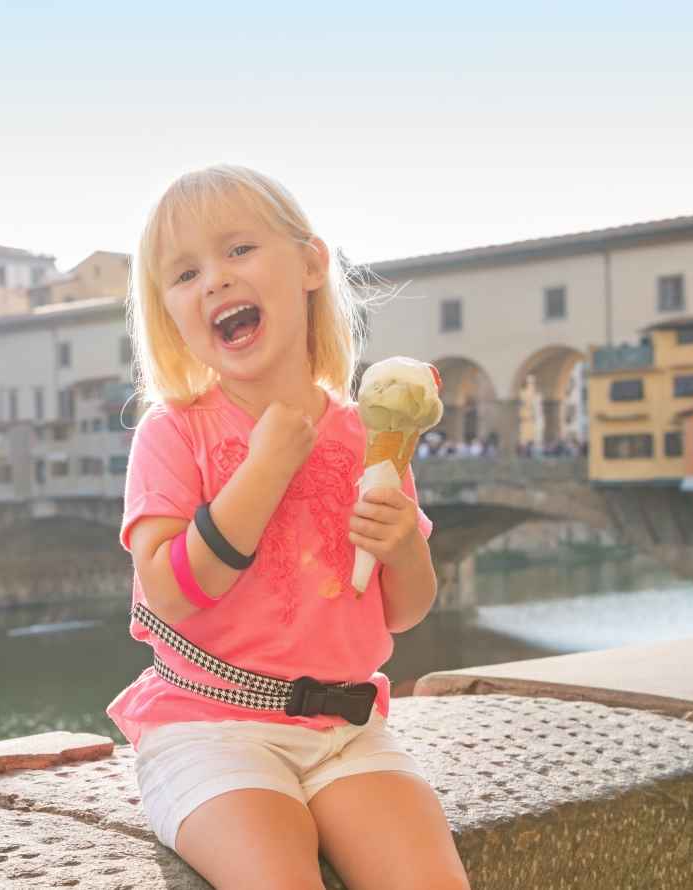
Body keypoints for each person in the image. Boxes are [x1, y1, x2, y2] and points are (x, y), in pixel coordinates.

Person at [108, 165, 470, 890]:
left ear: (310, 264)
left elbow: (402, 607)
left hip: (345, 732)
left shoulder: (366, 432)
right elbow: (174, 588)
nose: (214, 280)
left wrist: (402, 547)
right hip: (207, 729)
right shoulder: (174, 434)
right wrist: (265, 467)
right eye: (185, 273)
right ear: (169, 313)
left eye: (238, 250)